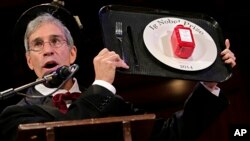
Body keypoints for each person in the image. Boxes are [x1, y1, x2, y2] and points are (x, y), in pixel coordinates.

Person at [0, 11, 236, 141]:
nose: (48, 50)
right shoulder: (16, 115)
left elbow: (169, 135)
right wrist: (101, 85)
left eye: (55, 41)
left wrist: (208, 80)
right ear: (30, 61)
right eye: (37, 45)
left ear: (72, 54)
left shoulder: (111, 103)